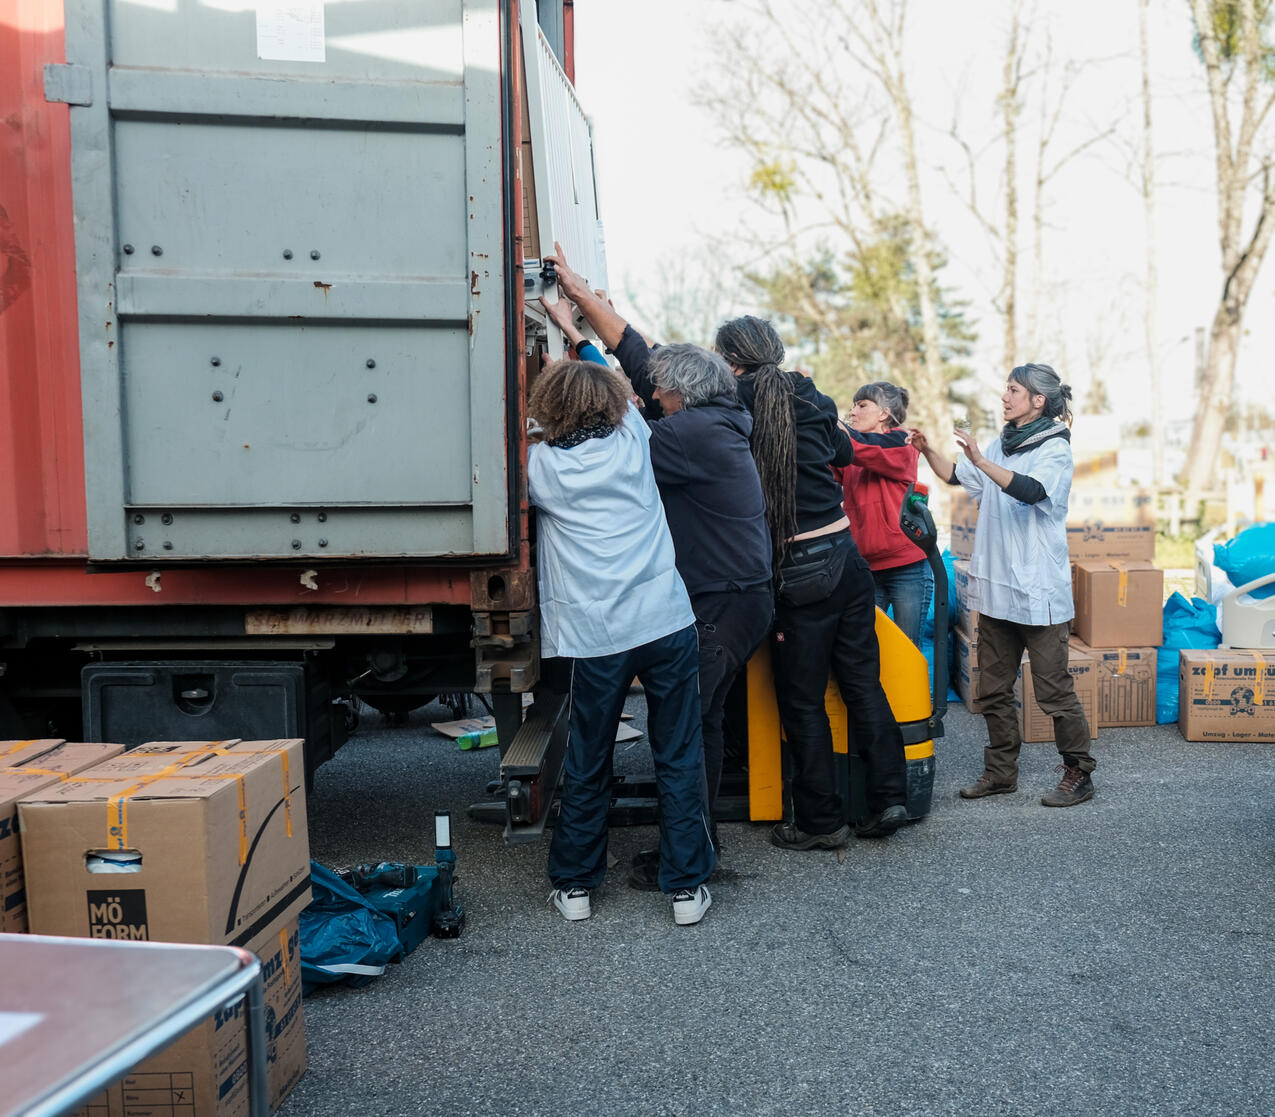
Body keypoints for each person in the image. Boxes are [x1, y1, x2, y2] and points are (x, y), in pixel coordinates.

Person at [542, 264, 773, 889]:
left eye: (662, 393)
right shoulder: (710, 419)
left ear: (680, 397)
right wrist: (582, 315)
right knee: (700, 725)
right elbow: (641, 372)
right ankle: (699, 847)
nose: (653, 396)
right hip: (738, 599)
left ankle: (690, 862)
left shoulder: (686, 437)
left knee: (685, 735)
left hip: (719, 605)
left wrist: (578, 356)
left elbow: (613, 414)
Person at [527, 357, 715, 925]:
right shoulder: (636, 440)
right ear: (612, 405)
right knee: (678, 752)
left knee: (589, 755)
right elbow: (619, 384)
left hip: (596, 633)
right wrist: (579, 329)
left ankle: (577, 886)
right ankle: (685, 890)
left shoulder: (540, 468)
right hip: (663, 619)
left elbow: (532, 432)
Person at [714, 315, 909, 849]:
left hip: (797, 571)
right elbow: (844, 453)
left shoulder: (730, 405)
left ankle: (821, 822)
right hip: (847, 559)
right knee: (863, 684)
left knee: (802, 702)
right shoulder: (812, 395)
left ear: (731, 361)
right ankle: (892, 795)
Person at [909, 362, 1095, 807]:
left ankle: (1079, 772)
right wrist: (927, 450)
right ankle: (1000, 773)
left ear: (1038, 400)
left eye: (1014, 390)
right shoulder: (1000, 445)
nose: (1005, 397)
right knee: (992, 688)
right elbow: (960, 477)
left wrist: (981, 460)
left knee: (1053, 691)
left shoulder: (1055, 449)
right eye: (1006, 390)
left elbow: (1032, 491)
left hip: (1038, 594)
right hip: (996, 590)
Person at [835, 381, 934, 648]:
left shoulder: (901, 444)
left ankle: (910, 692)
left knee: (906, 648)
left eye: (862, 405)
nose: (853, 412)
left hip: (907, 569)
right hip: (866, 568)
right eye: (853, 406)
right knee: (866, 650)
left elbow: (864, 447)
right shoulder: (853, 453)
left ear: (883, 413)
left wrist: (830, 423)